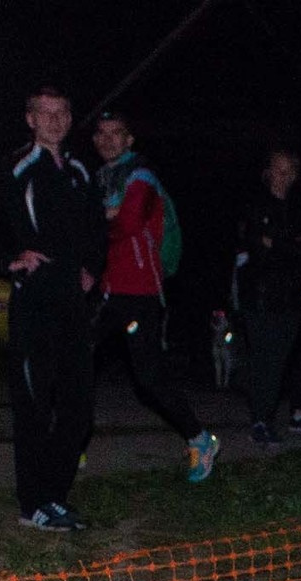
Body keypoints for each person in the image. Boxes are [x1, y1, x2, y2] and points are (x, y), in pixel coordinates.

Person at [0, 85, 99, 530]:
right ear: (31, 119)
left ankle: (54, 496)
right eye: (46, 112)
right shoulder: (17, 167)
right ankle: (32, 502)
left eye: (63, 112)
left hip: (73, 305)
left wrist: (92, 267)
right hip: (34, 302)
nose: (55, 120)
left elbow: (96, 228)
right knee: (34, 404)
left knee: (78, 406)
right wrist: (8, 260)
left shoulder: (79, 170)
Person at [88, 110, 216, 482]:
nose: (109, 140)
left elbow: (127, 225)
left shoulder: (141, 176)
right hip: (108, 288)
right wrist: (104, 214)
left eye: (117, 133)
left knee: (148, 378)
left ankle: (200, 438)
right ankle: (72, 443)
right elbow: (93, 227)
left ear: (130, 140)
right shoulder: (99, 178)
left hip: (142, 290)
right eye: (102, 133)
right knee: (80, 359)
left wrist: (100, 217)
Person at [231, 146, 301, 444]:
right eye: (279, 170)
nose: (284, 177)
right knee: (261, 358)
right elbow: (254, 246)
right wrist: (282, 246)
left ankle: (266, 417)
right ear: (268, 171)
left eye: (290, 171)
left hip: (290, 296)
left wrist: (277, 244)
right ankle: (259, 419)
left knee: (279, 360)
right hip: (259, 294)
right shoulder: (254, 203)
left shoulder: (298, 207)